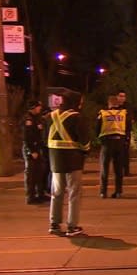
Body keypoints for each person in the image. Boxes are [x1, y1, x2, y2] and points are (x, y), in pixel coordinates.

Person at [44, 87, 90, 236]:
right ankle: (72, 226)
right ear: (75, 102)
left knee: (56, 192)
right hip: (73, 161)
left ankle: (54, 224)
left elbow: (44, 139)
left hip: (55, 161)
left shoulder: (49, 117)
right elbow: (85, 141)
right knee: (74, 193)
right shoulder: (77, 117)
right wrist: (85, 151)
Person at [97, 94, 131, 198]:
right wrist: (126, 140)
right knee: (118, 169)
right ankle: (118, 191)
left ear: (109, 104)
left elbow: (97, 128)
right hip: (120, 143)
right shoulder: (124, 113)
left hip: (107, 143)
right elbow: (129, 128)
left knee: (104, 168)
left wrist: (100, 139)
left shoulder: (103, 113)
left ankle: (103, 192)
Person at [22, 99, 49, 204]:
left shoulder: (37, 118)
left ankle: (40, 194)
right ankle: (30, 197)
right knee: (31, 174)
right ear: (33, 107)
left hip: (38, 148)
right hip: (31, 149)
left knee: (40, 172)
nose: (40, 108)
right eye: (38, 106)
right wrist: (32, 151)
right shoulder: (28, 119)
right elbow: (27, 137)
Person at [116, 89, 136, 176]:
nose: (122, 98)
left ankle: (126, 171)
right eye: (120, 96)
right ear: (117, 97)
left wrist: (133, 119)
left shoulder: (128, 106)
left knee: (125, 152)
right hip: (116, 131)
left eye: (123, 96)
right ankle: (118, 171)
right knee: (117, 153)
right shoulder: (114, 106)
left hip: (126, 131)